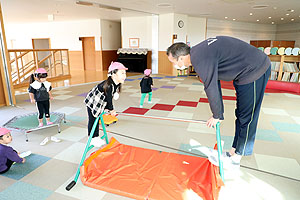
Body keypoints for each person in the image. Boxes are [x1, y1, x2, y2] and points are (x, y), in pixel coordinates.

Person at [167, 36, 271, 166]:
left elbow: (210, 86)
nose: (175, 65)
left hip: (255, 69)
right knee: (241, 113)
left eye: (173, 62)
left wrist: (217, 116)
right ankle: (233, 151)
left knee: (247, 116)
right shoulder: (199, 52)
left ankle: (236, 158)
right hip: (243, 72)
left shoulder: (200, 59)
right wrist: (219, 113)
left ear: (181, 58)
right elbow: (214, 83)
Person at [84, 62, 127, 147]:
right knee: (93, 120)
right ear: (114, 74)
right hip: (93, 102)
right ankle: (92, 138)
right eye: (122, 73)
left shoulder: (116, 83)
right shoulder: (109, 85)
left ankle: (96, 137)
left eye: (125, 73)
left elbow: (108, 97)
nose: (124, 76)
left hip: (100, 100)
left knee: (97, 119)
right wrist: (111, 110)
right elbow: (109, 99)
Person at [28, 68, 61, 146]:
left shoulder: (47, 83)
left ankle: (48, 121)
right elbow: (31, 93)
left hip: (46, 100)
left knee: (47, 110)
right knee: (40, 112)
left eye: (45, 77)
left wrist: (51, 96)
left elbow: (48, 90)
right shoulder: (34, 85)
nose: (44, 79)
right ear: (37, 77)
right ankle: (41, 122)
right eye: (42, 78)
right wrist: (32, 99)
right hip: (39, 101)